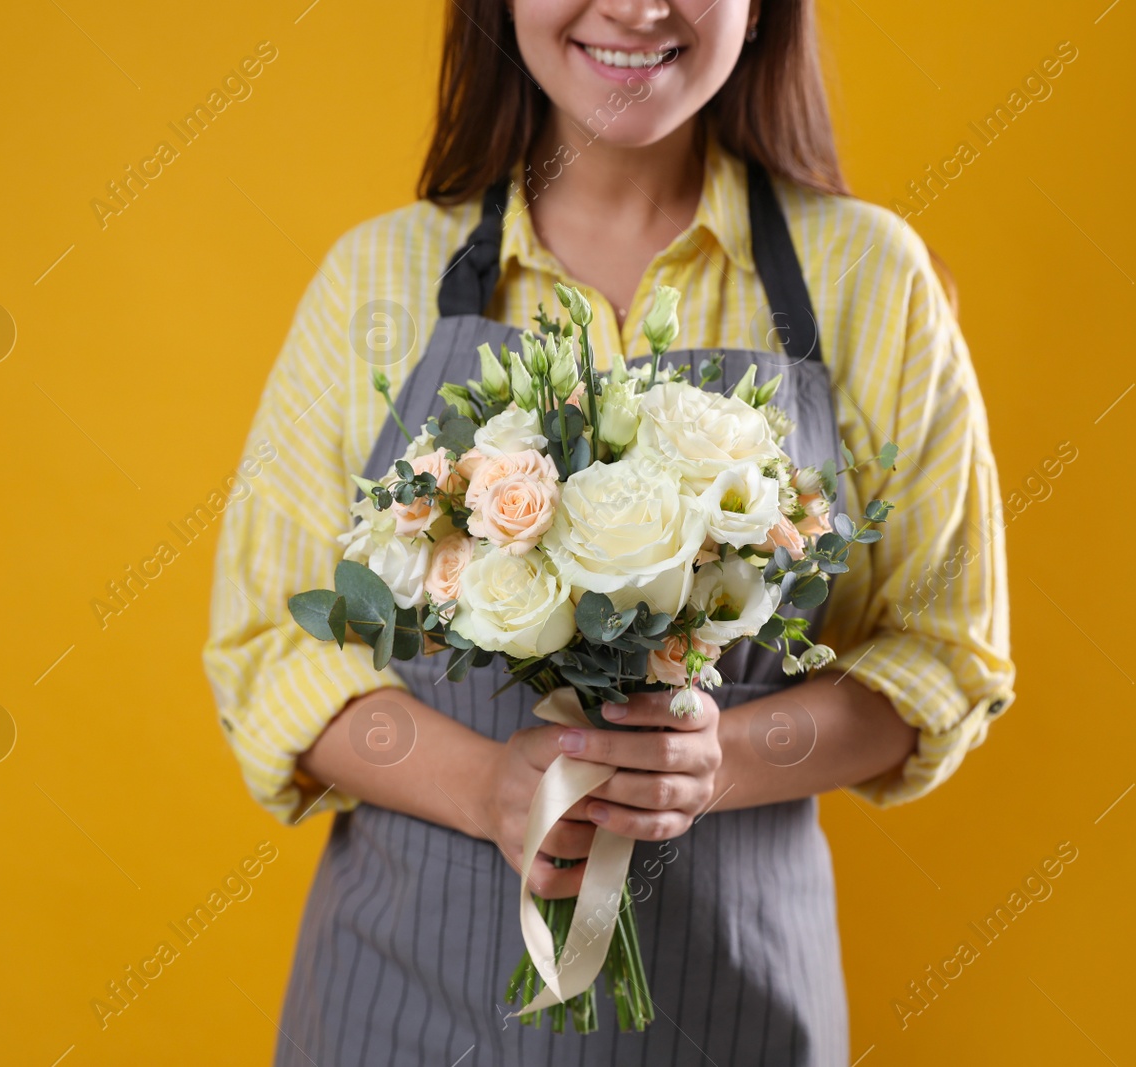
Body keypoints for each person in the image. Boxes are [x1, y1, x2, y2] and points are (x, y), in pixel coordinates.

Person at [205, 1, 1015, 1063]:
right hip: (399, 1003)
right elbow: (272, 643)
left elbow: (939, 651)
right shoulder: (376, 280)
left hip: (735, 1009)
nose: (636, 7)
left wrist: (717, 756)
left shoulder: (869, 278)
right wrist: (492, 788)